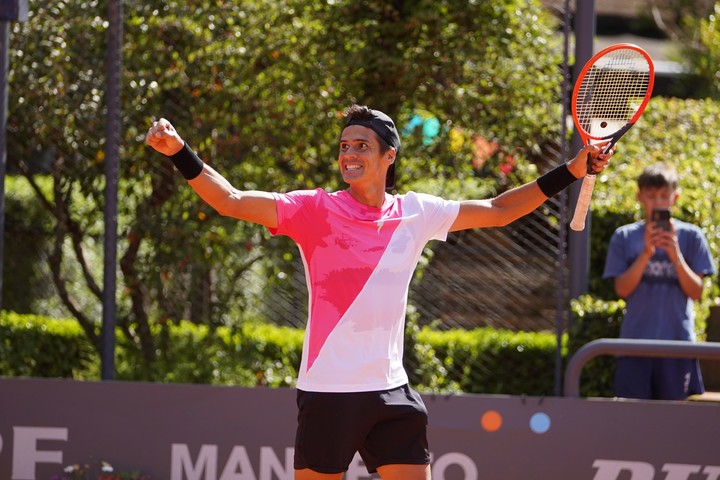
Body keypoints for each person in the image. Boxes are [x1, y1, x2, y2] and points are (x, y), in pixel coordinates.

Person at [146, 105, 612, 480]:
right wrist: (179, 151)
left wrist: (571, 170)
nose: (349, 153)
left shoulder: (417, 213)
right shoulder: (314, 209)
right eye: (344, 146)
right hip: (329, 391)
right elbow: (229, 200)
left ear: (389, 156)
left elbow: (499, 209)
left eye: (362, 145)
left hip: (392, 390)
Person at [603, 163, 716, 401]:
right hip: (634, 345)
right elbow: (622, 290)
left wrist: (676, 256)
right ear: (639, 196)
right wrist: (646, 253)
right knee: (632, 420)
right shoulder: (624, 236)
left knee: (675, 423)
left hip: (678, 345)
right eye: (651, 195)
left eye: (664, 196)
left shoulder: (692, 237)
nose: (658, 202)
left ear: (675, 198)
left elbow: (696, 292)